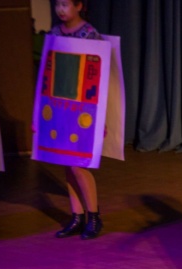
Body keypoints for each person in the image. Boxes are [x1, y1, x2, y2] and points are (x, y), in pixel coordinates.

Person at [46, 0, 103, 240]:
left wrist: (102, 118)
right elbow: (48, 72)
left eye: (66, 4)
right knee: (66, 162)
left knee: (78, 163)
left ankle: (94, 216)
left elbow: (100, 76)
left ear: (79, 6)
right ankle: (77, 216)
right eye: (57, 4)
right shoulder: (55, 33)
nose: (61, 9)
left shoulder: (89, 34)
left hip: (84, 109)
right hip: (60, 107)